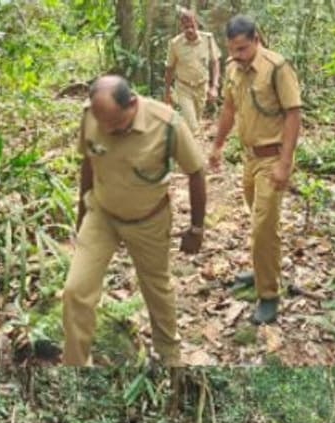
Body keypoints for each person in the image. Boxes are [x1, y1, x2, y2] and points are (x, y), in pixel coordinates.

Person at [64, 74, 207, 366]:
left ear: (132, 103)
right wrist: (81, 215)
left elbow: (196, 172)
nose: (109, 131)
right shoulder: (91, 116)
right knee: (75, 291)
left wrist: (196, 227)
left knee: (157, 288)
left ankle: (168, 356)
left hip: (148, 219)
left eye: (116, 125)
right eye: (103, 125)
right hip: (101, 215)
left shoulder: (166, 124)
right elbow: (88, 163)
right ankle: (75, 364)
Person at [210, 15, 302, 325]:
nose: (238, 55)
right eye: (233, 50)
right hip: (249, 158)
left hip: (272, 157)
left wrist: (284, 163)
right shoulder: (233, 68)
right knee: (259, 220)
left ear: (256, 39)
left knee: (263, 225)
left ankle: (269, 295)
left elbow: (293, 114)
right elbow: (228, 108)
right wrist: (218, 145)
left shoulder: (277, 67)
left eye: (243, 49)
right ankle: (262, 269)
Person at [164, 7, 219, 136]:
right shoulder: (175, 44)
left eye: (192, 26)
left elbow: (215, 62)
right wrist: (167, 92)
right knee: (193, 126)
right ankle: (193, 150)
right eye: (186, 27)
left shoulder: (208, 39)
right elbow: (169, 68)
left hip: (201, 87)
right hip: (184, 88)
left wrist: (214, 86)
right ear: (181, 27)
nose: (189, 30)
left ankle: (184, 141)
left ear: (196, 24)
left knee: (196, 120)